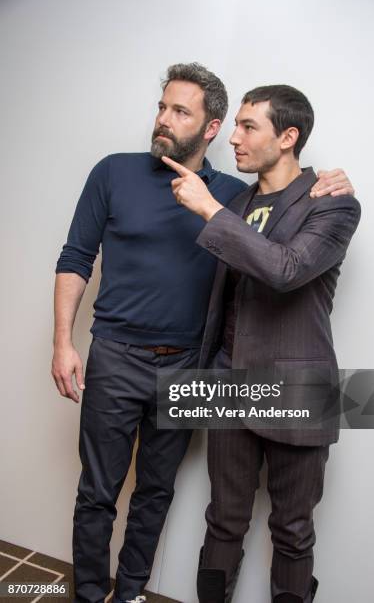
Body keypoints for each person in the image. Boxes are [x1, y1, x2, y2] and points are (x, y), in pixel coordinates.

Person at [52, 61, 353, 603]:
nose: (164, 119)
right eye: (161, 107)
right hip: (170, 370)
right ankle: (94, 595)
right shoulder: (211, 194)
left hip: (255, 381)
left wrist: (328, 180)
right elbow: (78, 256)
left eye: (245, 126)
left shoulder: (257, 198)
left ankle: (133, 591)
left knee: (271, 524)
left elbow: (285, 265)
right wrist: (63, 342)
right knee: (204, 518)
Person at [162, 84, 361, 603]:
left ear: (288, 136)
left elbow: (286, 269)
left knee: (292, 532)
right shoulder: (238, 198)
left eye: (249, 126)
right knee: (223, 520)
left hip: (299, 389)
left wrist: (208, 210)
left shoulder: (333, 204)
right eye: (236, 125)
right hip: (229, 382)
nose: (235, 137)